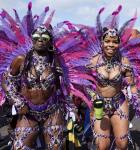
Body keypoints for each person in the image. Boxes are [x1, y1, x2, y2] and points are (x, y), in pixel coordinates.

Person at [68, 6, 140, 150]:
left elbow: (131, 87)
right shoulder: (93, 61)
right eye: (108, 41)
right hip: (99, 106)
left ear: (118, 43)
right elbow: (84, 84)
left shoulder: (124, 62)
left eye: (114, 42)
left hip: (119, 103)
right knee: (102, 146)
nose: (111, 45)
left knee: (122, 144)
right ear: (102, 43)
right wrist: (93, 96)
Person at [0, 3, 80, 149]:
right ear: (32, 38)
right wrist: (18, 102)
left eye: (45, 37)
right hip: (29, 112)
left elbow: (63, 87)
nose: (40, 39)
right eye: (37, 36)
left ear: (49, 40)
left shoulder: (56, 60)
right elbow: (7, 80)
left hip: (53, 111)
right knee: (19, 147)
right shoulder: (21, 59)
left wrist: (72, 108)